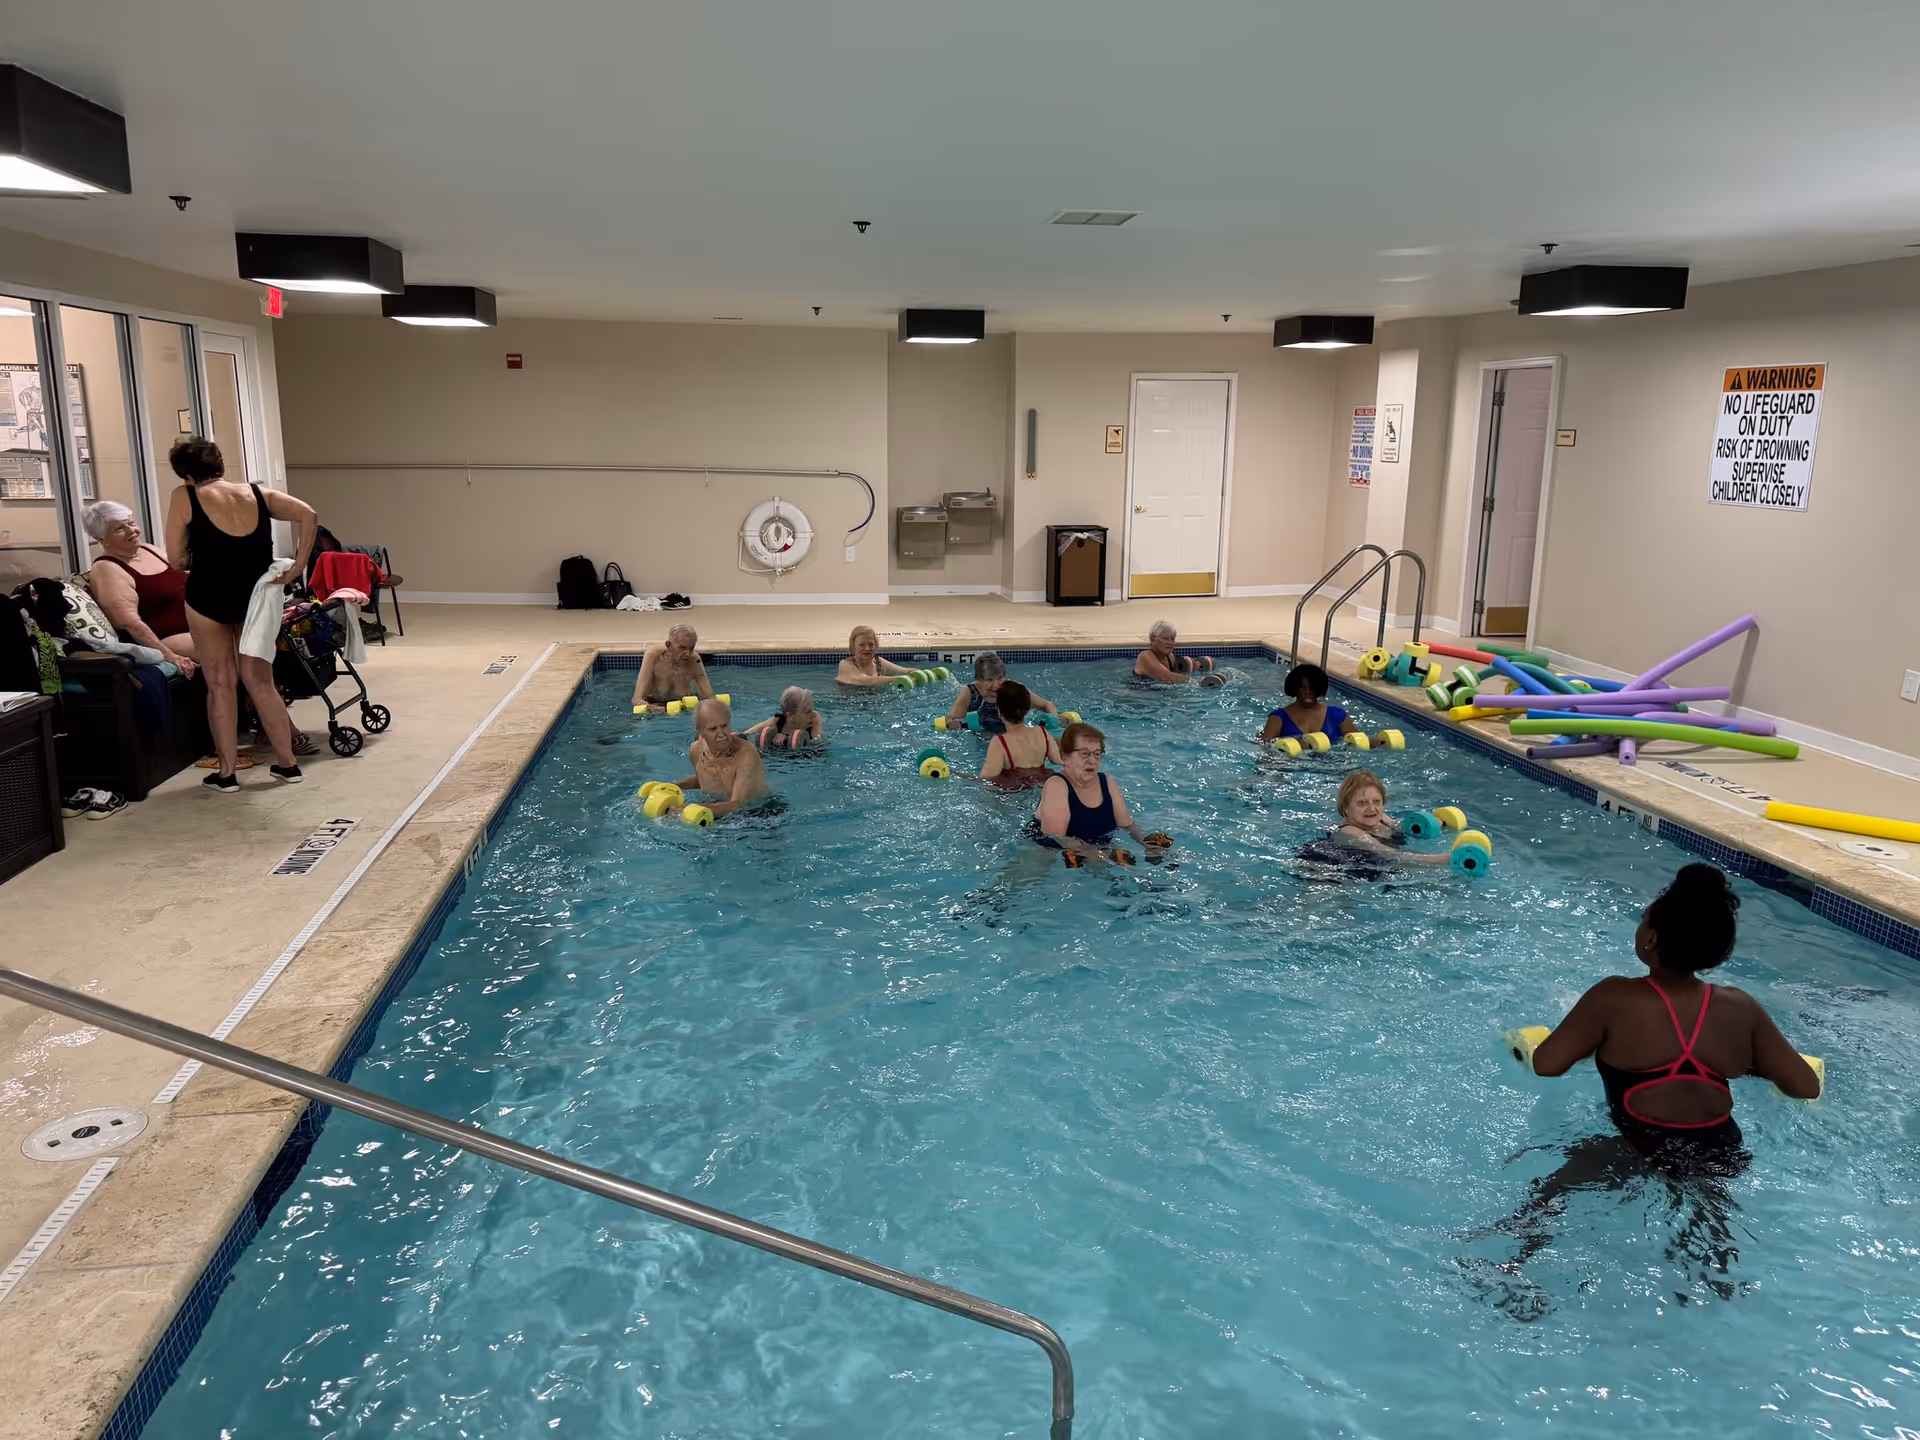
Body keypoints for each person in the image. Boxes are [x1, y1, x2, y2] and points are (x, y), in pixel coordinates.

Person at [1467, 866, 1823, 1306]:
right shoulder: (1739, 1008)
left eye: (1643, 919)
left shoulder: (1614, 997)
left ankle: (1510, 1267)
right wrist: (1749, 1065)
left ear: (1651, 939)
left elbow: (1547, 1064)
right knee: (1708, 1219)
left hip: (1639, 1143)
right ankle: (1719, 1285)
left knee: (1553, 1191)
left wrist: (1594, 1045)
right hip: (1722, 1152)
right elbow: (1804, 1084)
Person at [162, 437, 316, 791]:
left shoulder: (184, 496)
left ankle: (227, 773)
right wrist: (298, 568)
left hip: (207, 596)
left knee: (220, 683)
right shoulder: (258, 494)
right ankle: (288, 765)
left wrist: (197, 555)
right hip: (255, 597)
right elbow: (308, 515)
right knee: (260, 682)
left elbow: (176, 559)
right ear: (220, 465)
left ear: (187, 476)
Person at [84, 500, 196, 676]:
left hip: (199, 625)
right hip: (170, 638)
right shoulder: (107, 569)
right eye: (119, 529)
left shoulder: (149, 549)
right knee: (234, 647)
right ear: (101, 539)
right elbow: (130, 623)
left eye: (131, 523)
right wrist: (170, 656)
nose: (132, 531)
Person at [1034, 722, 1169, 864]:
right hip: (1051, 852)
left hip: (1097, 849)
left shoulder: (1107, 783)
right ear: (1066, 756)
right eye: (1084, 754)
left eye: (1097, 754)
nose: (1092, 760)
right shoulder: (1057, 785)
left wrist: (1146, 843)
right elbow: (1056, 837)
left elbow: (1127, 825)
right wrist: (1102, 856)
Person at [666, 699, 770, 820]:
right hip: (717, 810)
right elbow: (705, 779)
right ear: (700, 731)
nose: (721, 734)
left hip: (759, 814)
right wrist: (673, 787)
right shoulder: (696, 751)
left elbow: (738, 805)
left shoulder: (746, 754)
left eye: (724, 726)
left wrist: (688, 808)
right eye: (713, 729)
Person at [1318, 770, 1449, 867]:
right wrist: (1442, 859)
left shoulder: (1381, 819)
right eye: (1362, 803)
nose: (1372, 808)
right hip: (1331, 871)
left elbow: (1402, 828)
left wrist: (1438, 823)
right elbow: (1389, 854)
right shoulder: (1350, 831)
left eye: (1376, 801)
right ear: (1346, 807)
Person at [946, 652, 1056, 735]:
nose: (996, 685)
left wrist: (1055, 723)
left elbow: (1047, 705)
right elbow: (950, 718)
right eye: (989, 680)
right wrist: (953, 724)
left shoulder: (1013, 689)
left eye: (999, 678)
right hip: (982, 738)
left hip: (1012, 737)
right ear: (978, 680)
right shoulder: (970, 693)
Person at [978, 681, 1061, 787]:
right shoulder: (1042, 732)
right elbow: (1058, 761)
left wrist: (958, 775)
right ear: (1027, 709)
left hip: (1014, 792)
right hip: (1044, 784)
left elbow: (987, 776)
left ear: (999, 711)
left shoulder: (1000, 741)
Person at [1261, 662, 1360, 744]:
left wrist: (1374, 742)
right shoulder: (1279, 718)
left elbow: (1359, 742)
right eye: (1302, 687)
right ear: (1294, 687)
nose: (1307, 692)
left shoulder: (1337, 716)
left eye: (1312, 688)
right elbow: (1264, 746)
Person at [632, 624, 714, 712]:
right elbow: (637, 700)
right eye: (682, 648)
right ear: (669, 645)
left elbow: (710, 696)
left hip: (683, 708)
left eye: (691, 648)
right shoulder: (653, 656)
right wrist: (657, 710)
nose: (687, 653)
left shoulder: (694, 660)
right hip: (654, 704)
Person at [1133, 620, 1221, 685]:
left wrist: (1199, 665)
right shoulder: (1145, 656)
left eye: (1172, 639)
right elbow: (1166, 676)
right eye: (1165, 639)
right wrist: (1198, 681)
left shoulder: (1170, 657)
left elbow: (1180, 670)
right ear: (1153, 639)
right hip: (1140, 695)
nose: (1170, 643)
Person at [744, 686, 823, 751]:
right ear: (790, 716)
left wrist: (786, 738)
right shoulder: (777, 721)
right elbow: (747, 734)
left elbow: (818, 745)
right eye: (807, 711)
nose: (813, 715)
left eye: (812, 709)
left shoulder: (814, 721)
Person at [836, 625, 916, 687]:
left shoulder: (878, 663)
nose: (867, 648)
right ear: (853, 647)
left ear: (876, 646)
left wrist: (917, 673)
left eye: (871, 644)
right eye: (861, 645)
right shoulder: (845, 664)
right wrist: (898, 679)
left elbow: (907, 671)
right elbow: (865, 680)